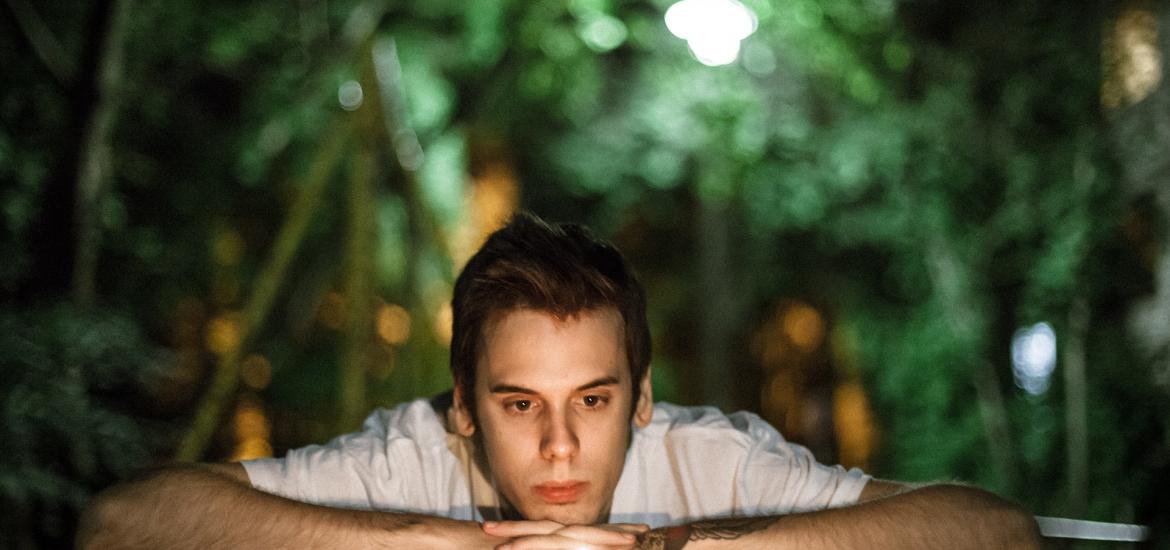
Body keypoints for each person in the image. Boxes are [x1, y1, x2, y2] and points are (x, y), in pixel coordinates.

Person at [78, 213, 1042, 549]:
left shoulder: (712, 461)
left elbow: (996, 532)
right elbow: (123, 525)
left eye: (594, 399)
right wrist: (426, 541)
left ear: (642, 399)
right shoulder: (411, 457)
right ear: (464, 408)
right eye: (517, 404)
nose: (559, 447)